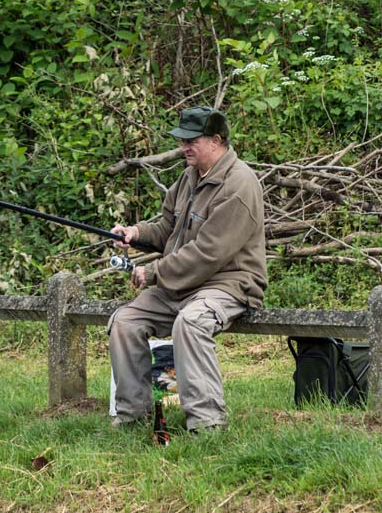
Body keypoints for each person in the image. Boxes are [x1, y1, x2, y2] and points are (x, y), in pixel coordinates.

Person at [108, 105, 267, 433]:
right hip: (182, 285)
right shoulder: (188, 177)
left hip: (228, 284)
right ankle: (131, 418)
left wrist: (154, 272)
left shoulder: (239, 185)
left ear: (217, 141)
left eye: (191, 141)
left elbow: (209, 253)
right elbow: (167, 229)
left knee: (191, 323)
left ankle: (207, 425)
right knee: (124, 322)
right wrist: (135, 234)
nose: (183, 147)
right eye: (182, 141)